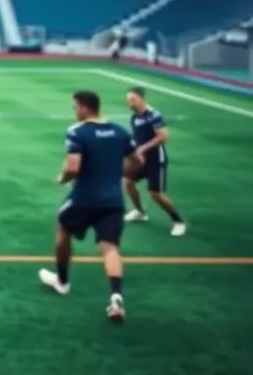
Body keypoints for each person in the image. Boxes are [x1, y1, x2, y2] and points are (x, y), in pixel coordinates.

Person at [39, 90, 143, 323]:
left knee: (62, 229)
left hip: (85, 199)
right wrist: (114, 174)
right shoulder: (119, 131)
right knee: (110, 248)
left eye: (75, 107)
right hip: (113, 201)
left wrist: (62, 178)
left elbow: (73, 167)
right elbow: (138, 161)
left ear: (84, 108)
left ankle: (63, 281)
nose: (74, 112)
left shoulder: (77, 132)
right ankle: (116, 297)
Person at [123, 87, 186, 236]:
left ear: (141, 99)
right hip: (140, 159)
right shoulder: (134, 117)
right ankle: (140, 212)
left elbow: (163, 136)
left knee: (155, 194)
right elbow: (137, 138)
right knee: (127, 182)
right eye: (128, 100)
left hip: (156, 160)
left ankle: (178, 221)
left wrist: (143, 149)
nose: (130, 103)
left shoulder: (154, 115)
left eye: (133, 100)